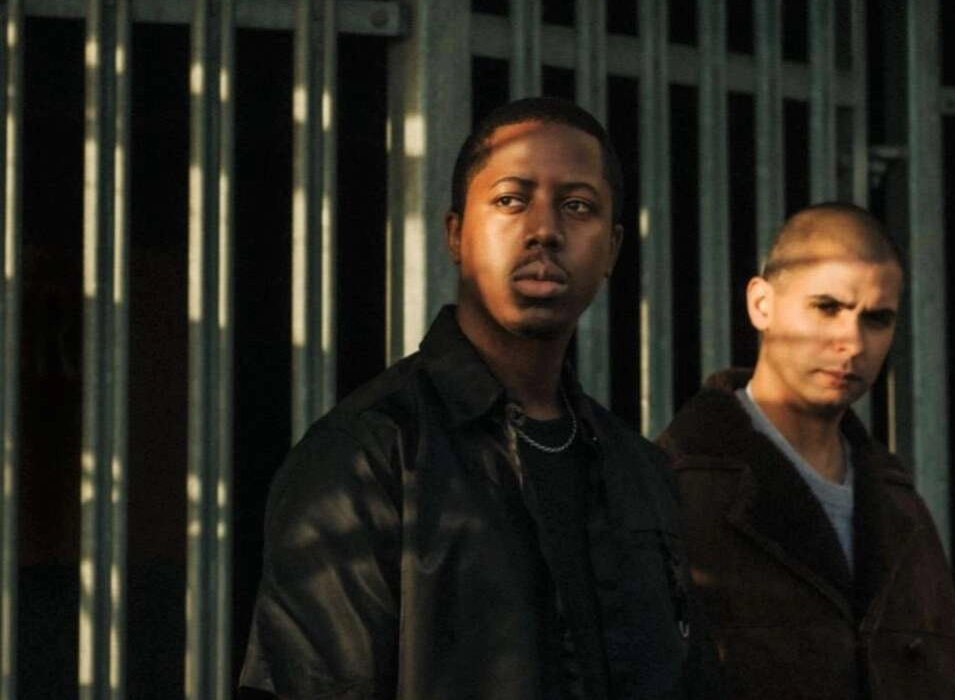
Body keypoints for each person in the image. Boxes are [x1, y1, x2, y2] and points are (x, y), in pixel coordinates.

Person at [239, 97, 712, 699]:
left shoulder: (639, 470)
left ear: (613, 249)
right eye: (512, 200)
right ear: (456, 234)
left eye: (577, 206)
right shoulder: (367, 455)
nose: (545, 230)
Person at [657, 203, 955, 699]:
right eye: (827, 307)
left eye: (877, 319)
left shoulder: (900, 507)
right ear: (761, 304)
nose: (851, 342)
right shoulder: (675, 485)